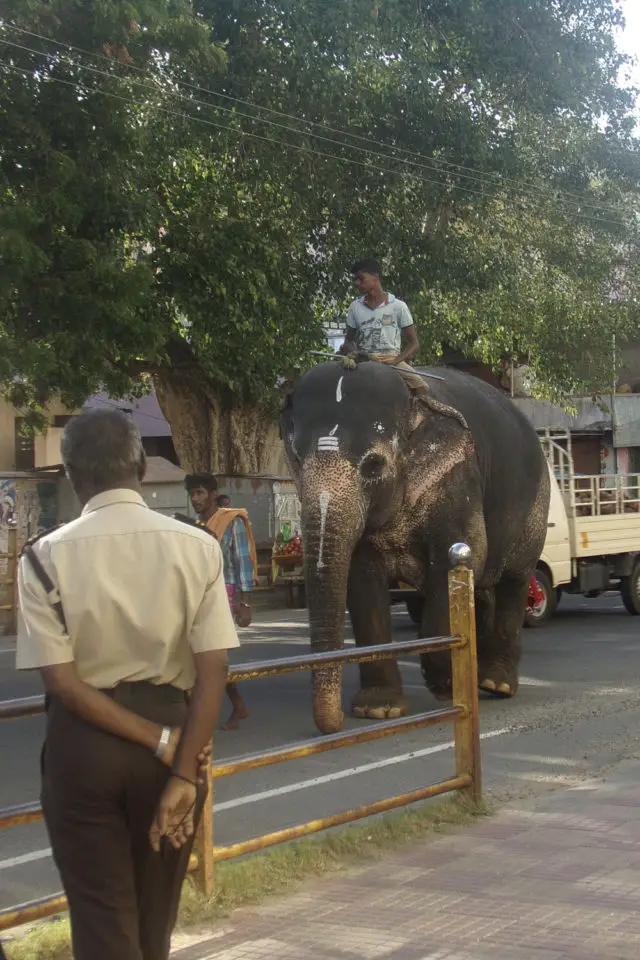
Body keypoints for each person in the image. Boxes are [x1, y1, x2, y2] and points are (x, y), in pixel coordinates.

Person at [16, 410, 239, 960]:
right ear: (140, 466)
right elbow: (214, 670)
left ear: (71, 474)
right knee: (155, 923)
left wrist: (160, 742)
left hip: (84, 748)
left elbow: (64, 685)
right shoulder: (197, 546)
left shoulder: (42, 558)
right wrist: (181, 763)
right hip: (177, 744)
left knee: (102, 923)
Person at [185, 474, 258, 730]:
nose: (196, 499)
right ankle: (237, 705)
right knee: (205, 656)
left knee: (210, 655)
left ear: (214, 494)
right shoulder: (196, 524)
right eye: (192, 494)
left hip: (225, 595)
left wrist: (245, 602)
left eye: (200, 493)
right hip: (200, 595)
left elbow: (243, 561)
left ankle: (203, 715)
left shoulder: (230, 521)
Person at [340, 257, 419, 366]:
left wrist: (396, 360)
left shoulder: (398, 306)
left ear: (375, 277)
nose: (357, 283)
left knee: (420, 384)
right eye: (355, 280)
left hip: (392, 360)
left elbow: (414, 344)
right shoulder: (355, 307)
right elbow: (348, 341)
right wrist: (353, 352)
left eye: (361, 278)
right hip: (363, 361)